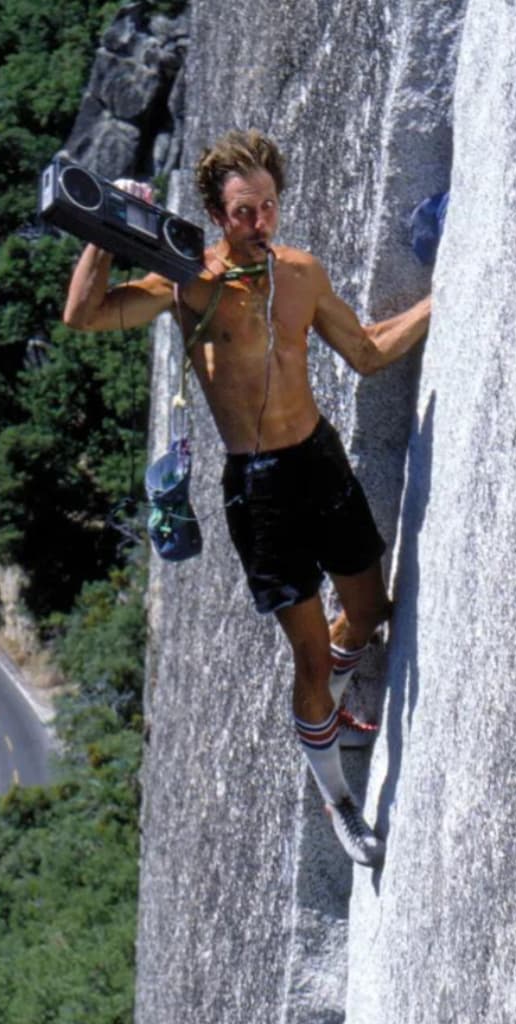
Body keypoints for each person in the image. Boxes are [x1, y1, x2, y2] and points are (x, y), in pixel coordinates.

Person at [62, 129, 431, 866]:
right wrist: (105, 231)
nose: (259, 222)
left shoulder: (299, 274)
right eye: (241, 212)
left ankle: (343, 688)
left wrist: (444, 296)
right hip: (257, 488)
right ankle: (339, 801)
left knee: (368, 610)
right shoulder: (186, 284)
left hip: (319, 457)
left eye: (267, 206)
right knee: (307, 661)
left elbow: (364, 351)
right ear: (213, 212)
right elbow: (85, 314)